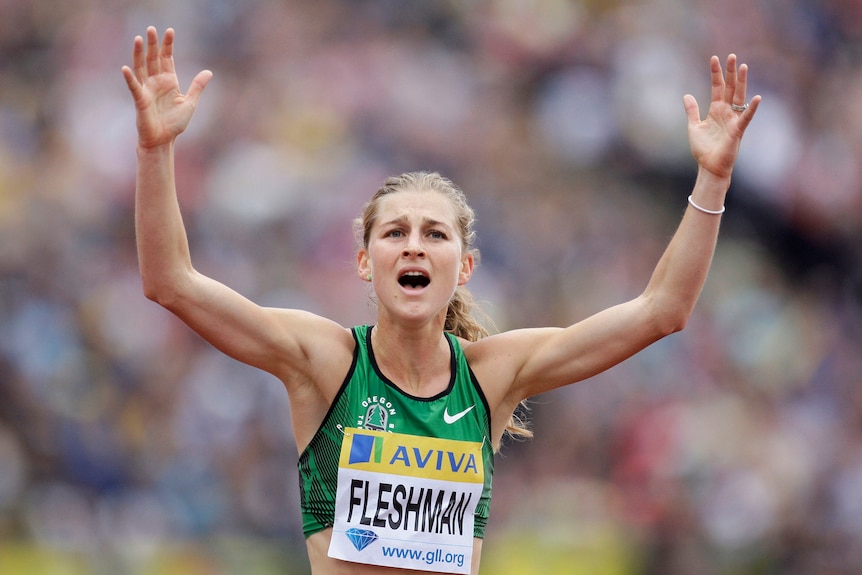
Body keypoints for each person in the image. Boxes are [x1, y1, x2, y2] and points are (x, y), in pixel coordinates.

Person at [121, 26, 760, 575]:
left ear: (466, 267)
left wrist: (713, 177)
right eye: (394, 233)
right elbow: (170, 281)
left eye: (435, 235)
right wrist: (156, 150)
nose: (414, 248)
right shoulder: (324, 361)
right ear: (365, 263)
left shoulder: (491, 377)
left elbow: (662, 310)